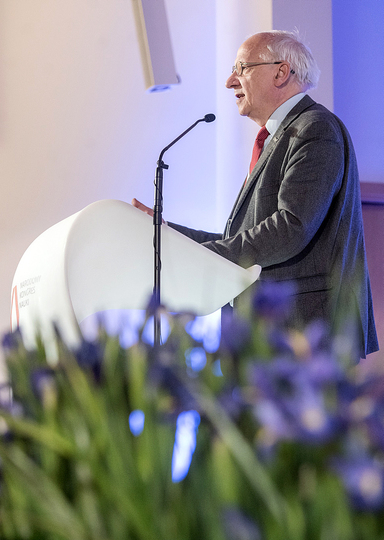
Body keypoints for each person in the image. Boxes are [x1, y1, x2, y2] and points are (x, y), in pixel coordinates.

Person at [132, 30, 378, 359]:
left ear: (281, 72)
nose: (229, 81)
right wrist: (166, 232)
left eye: (242, 68)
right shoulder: (281, 136)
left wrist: (205, 258)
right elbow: (242, 238)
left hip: (304, 331)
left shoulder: (314, 128)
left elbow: (290, 227)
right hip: (273, 332)